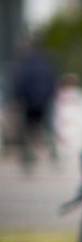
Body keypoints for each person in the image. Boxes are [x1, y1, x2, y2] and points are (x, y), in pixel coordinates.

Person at [8, 37, 60, 172]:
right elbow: (52, 81)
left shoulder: (24, 64)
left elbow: (20, 84)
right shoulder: (46, 61)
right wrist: (50, 97)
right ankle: (55, 157)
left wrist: (16, 100)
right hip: (44, 102)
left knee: (27, 132)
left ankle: (28, 159)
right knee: (49, 131)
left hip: (29, 103)